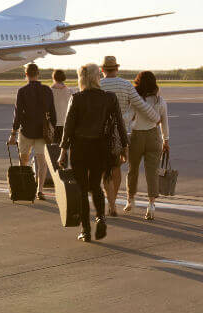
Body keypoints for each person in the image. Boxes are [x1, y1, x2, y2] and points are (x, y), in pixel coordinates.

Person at [58, 63, 128, 242]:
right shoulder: (109, 98)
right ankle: (101, 218)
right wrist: (124, 148)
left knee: (82, 189)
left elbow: (68, 127)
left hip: (80, 148)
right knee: (96, 185)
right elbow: (120, 124)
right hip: (100, 148)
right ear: (98, 77)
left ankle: (86, 230)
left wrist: (63, 151)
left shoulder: (77, 98)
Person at [98, 56, 159, 216]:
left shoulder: (98, 84)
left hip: (100, 133)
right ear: (116, 69)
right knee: (116, 167)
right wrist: (155, 117)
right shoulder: (126, 85)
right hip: (120, 133)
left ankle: (110, 202)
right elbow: (140, 104)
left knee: (105, 170)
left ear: (102, 70)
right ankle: (114, 201)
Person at [8, 63, 57, 200]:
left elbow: (17, 115)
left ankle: (23, 187)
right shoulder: (47, 90)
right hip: (42, 132)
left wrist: (13, 133)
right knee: (42, 162)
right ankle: (40, 190)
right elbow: (53, 113)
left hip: (26, 131)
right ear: (38, 74)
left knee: (23, 161)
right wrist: (52, 130)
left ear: (26, 75)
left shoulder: (22, 91)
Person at [125, 70, 170, 220]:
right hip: (154, 137)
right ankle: (151, 205)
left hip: (137, 136)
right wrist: (166, 140)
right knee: (152, 172)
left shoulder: (137, 100)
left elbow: (128, 117)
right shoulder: (160, 101)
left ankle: (130, 200)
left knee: (133, 170)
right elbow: (164, 123)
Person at [51, 69, 73, 144]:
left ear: (54, 78)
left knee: (53, 148)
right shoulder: (70, 91)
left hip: (53, 123)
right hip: (65, 122)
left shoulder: (49, 91)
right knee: (64, 147)